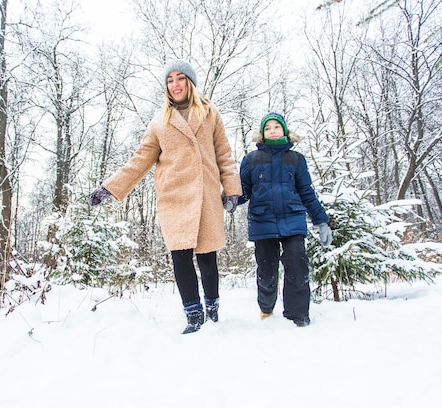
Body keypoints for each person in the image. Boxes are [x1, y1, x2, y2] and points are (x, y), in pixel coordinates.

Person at [88, 59, 242, 334]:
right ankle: (194, 315)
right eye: (170, 80)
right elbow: (140, 160)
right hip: (174, 199)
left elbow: (224, 156)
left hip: (206, 196)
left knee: (207, 257)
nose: (175, 84)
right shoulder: (160, 121)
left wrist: (231, 191)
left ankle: (213, 309)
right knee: (180, 257)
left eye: (180, 78)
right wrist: (110, 187)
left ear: (190, 83)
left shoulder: (210, 114)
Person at [238, 112, 332, 327]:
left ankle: (297, 315)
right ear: (262, 134)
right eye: (268, 128)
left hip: (292, 219)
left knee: (298, 263)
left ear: (284, 130)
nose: (272, 130)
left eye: (276, 127)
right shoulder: (251, 160)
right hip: (262, 222)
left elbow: (306, 192)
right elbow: (243, 191)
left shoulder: (296, 159)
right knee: (267, 270)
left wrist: (321, 221)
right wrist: (229, 200)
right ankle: (266, 307)